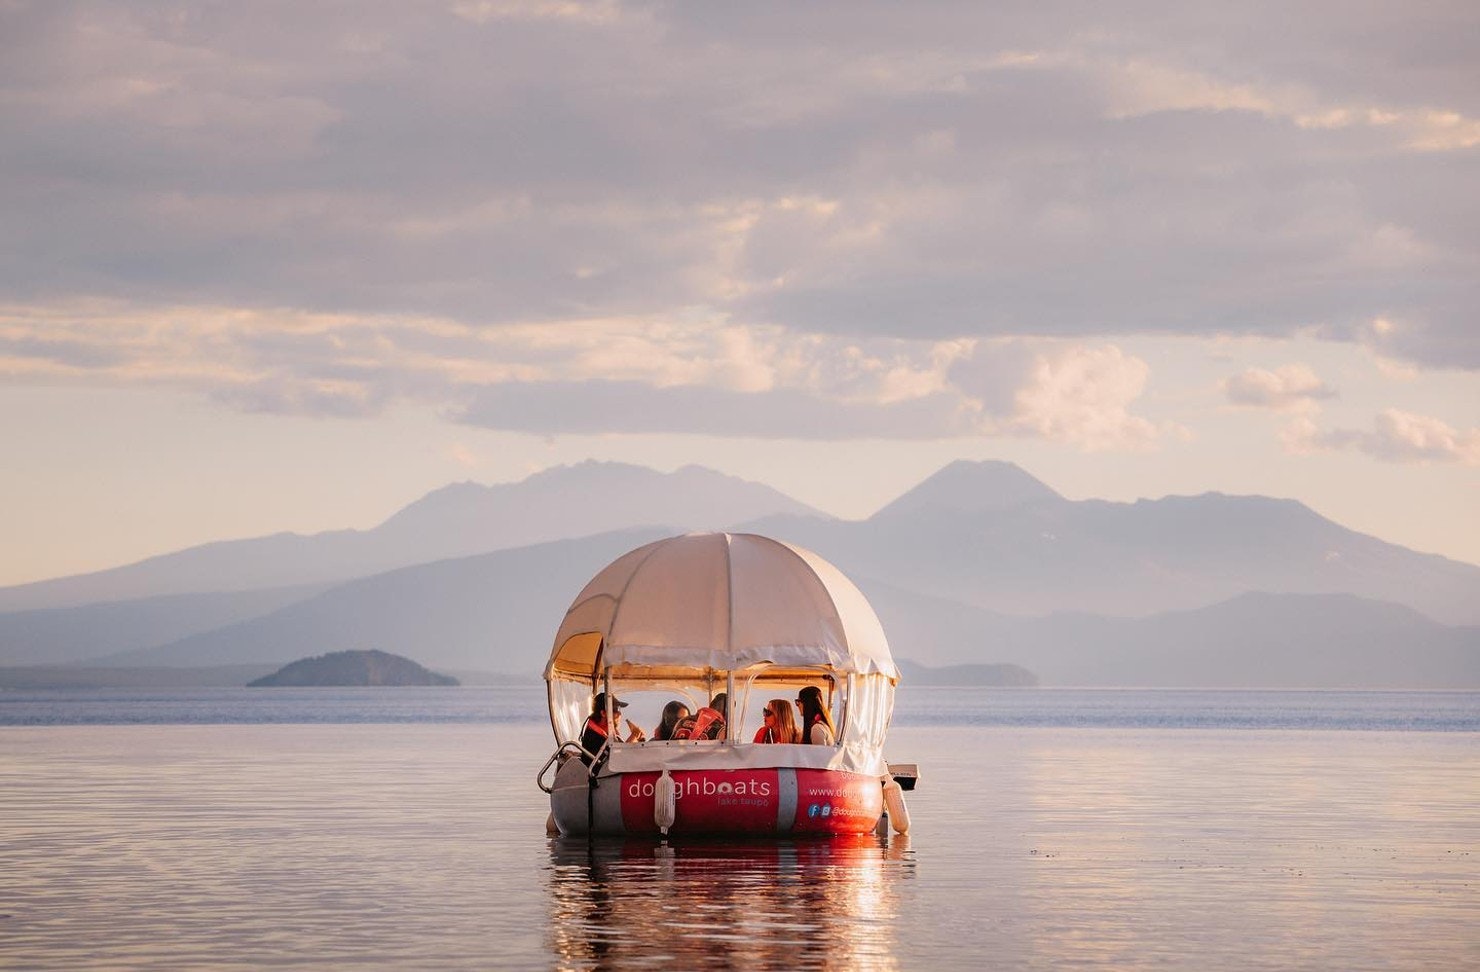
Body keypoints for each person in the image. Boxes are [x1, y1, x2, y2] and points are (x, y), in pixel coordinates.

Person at [580, 691, 644, 764]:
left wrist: (637, 740)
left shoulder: (608, 734)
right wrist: (633, 737)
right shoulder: (593, 738)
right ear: (603, 713)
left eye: (619, 709)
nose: (620, 713)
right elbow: (615, 763)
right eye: (616, 709)